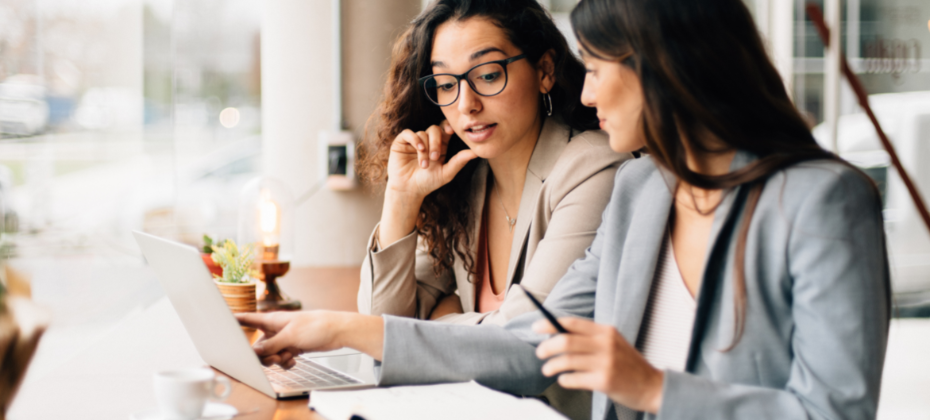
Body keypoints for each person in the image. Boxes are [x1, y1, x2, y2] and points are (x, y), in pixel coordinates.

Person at [238, 0, 891, 419]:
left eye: (599, 67)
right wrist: (343, 329)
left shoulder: (822, 201)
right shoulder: (644, 190)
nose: (588, 89)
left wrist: (655, 389)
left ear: (667, 70)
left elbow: (835, 412)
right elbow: (530, 346)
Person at [357, 0, 628, 328]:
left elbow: (527, 333)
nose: (465, 104)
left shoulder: (592, 168)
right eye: (445, 84)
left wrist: (442, 317)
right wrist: (402, 197)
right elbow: (382, 325)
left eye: (487, 75)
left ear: (544, 71)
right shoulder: (464, 180)